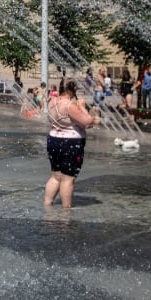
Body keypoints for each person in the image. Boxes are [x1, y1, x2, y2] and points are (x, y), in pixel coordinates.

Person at [44, 78, 101, 208]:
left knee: (55, 176)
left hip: (53, 139)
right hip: (70, 143)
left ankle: (47, 206)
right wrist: (82, 106)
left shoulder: (52, 101)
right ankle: (66, 212)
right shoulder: (69, 105)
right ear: (73, 89)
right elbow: (88, 121)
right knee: (68, 178)